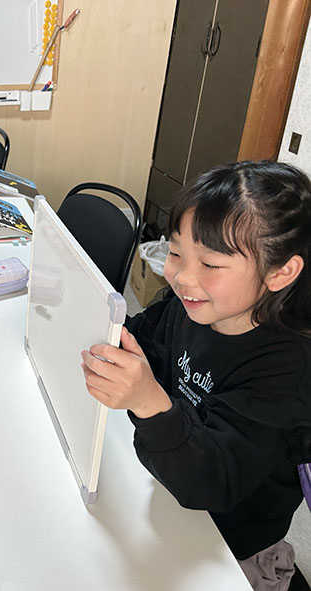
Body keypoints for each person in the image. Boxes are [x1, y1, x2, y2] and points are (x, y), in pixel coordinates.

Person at [81, 161, 311, 591]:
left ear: (280, 273)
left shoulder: (287, 368)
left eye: (210, 263)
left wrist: (149, 403)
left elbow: (213, 483)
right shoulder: (192, 307)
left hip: (230, 547)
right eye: (175, 253)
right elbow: (143, 338)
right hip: (168, 496)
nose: (182, 276)